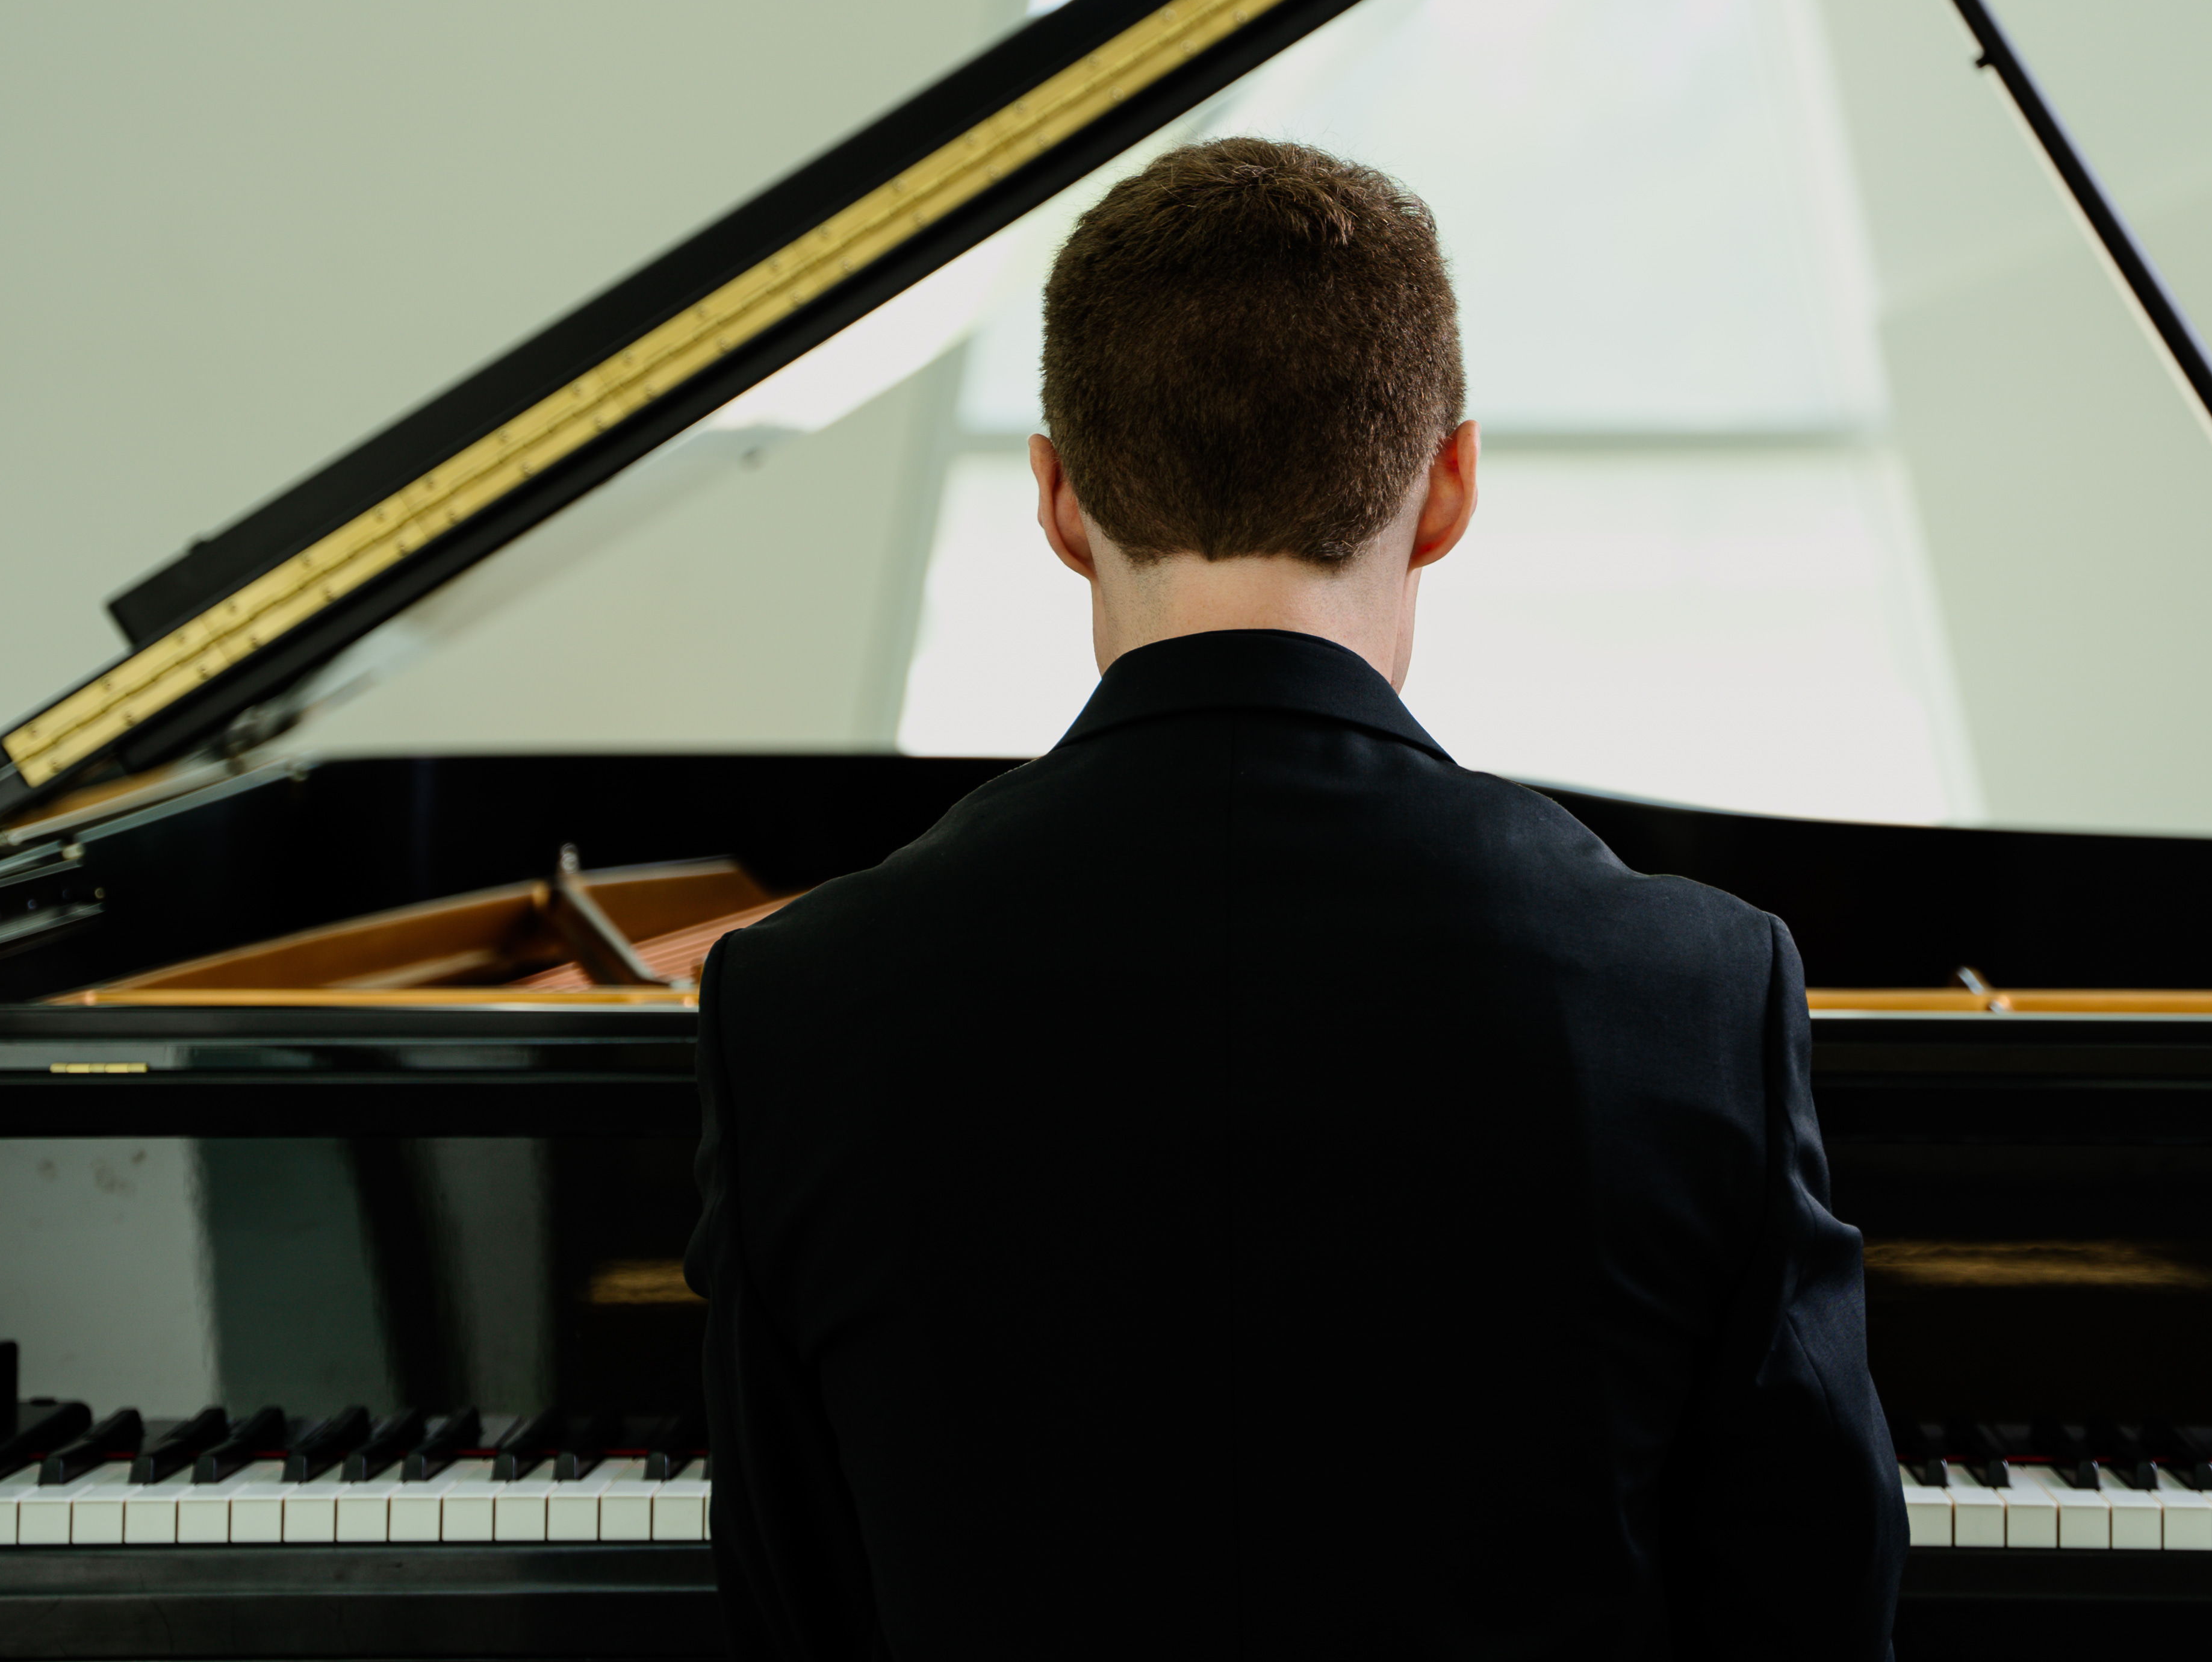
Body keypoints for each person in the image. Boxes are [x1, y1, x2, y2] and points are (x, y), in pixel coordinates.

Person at [687, 138, 1901, 1659]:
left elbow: (792, 1617)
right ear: (1450, 485)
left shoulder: (794, 1001)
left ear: (1058, 500)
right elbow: (1812, 1615)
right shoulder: (1703, 985)